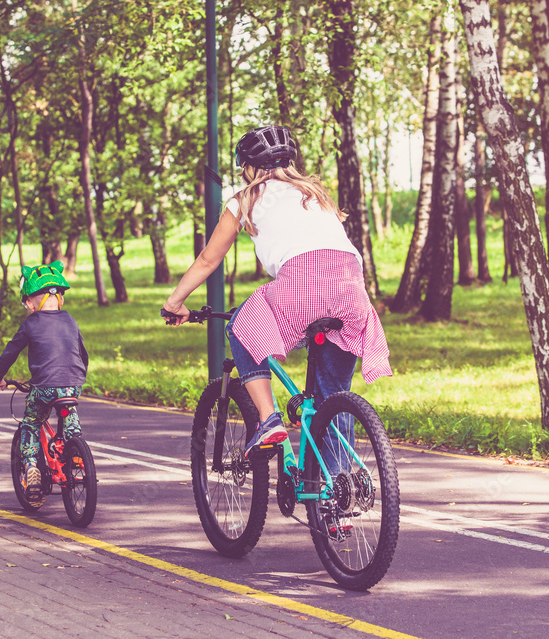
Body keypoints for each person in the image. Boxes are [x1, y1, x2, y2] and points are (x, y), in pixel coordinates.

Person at [162, 125, 392, 463]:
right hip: (351, 291)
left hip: (301, 289)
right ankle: (337, 502)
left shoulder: (244, 199)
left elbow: (208, 259)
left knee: (241, 324)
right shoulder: (315, 192)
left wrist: (174, 302)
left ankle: (269, 419)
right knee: (332, 397)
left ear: (250, 167)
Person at [0, 261, 89, 507]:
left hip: (44, 387)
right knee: (69, 410)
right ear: (59, 300)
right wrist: (75, 376)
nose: (26, 307)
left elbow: (10, 353)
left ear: (32, 302)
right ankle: (75, 450)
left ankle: (32, 465)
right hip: (73, 384)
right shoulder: (70, 320)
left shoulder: (31, 323)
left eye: (26, 303)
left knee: (31, 422)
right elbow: (83, 354)